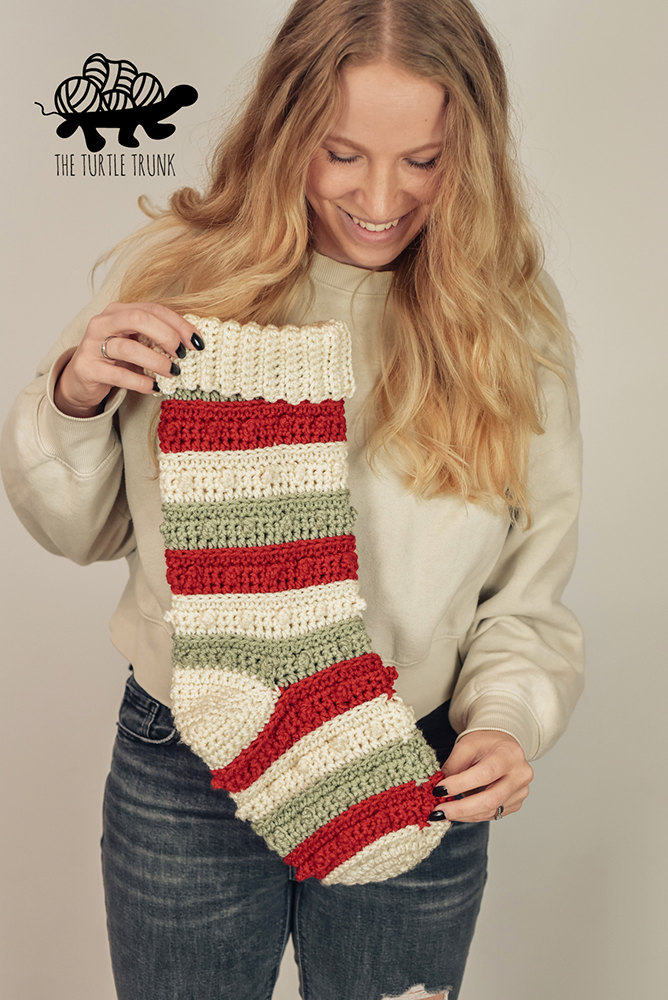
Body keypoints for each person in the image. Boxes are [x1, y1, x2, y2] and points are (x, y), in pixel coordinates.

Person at [0, 1, 583, 998]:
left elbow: (525, 603)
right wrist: (75, 397)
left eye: (424, 161)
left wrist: (505, 722)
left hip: (414, 761)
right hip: (188, 751)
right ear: (285, 131)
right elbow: (78, 529)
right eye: (342, 152)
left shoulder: (505, 335)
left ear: (469, 156)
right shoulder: (189, 286)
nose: (380, 196)